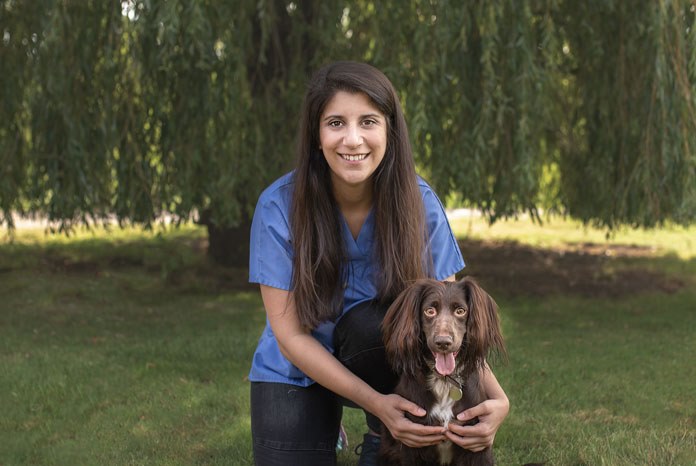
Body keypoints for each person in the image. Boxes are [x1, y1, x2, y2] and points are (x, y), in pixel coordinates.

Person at [248, 61, 509, 466]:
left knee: (373, 323)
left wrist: (499, 399)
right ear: (317, 136)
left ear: (389, 130)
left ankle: (380, 435)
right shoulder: (277, 206)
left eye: (368, 121)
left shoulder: (420, 204)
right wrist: (378, 403)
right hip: (295, 365)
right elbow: (290, 335)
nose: (353, 139)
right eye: (335, 123)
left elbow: (450, 317)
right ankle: (358, 419)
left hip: (379, 353)